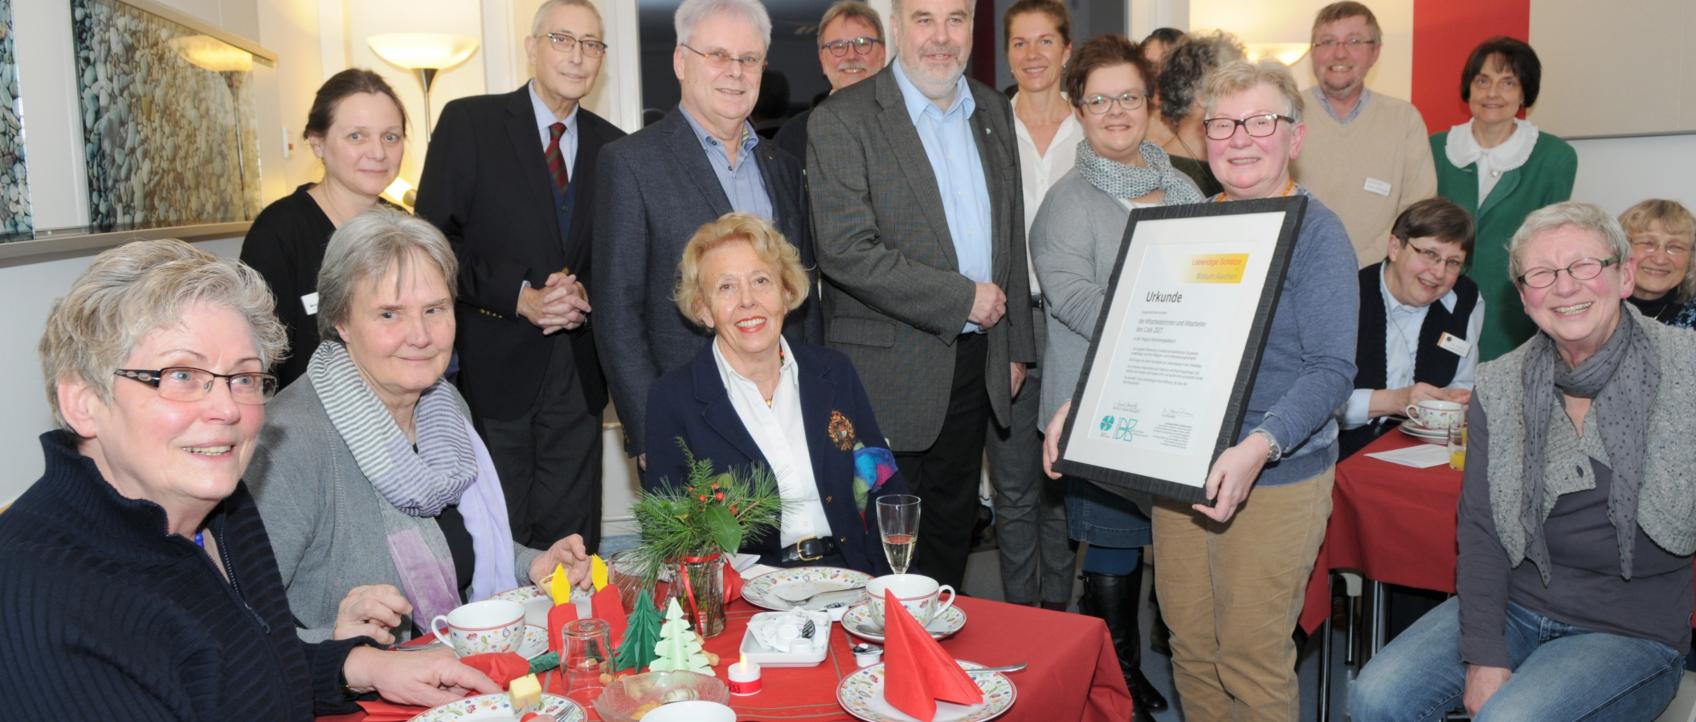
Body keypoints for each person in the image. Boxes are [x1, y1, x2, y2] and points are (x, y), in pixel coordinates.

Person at [0, 239, 504, 718]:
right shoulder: (46, 596)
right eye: (181, 376)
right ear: (83, 402)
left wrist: (360, 666)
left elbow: (244, 673)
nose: (226, 408)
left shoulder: (221, 513)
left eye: (243, 378)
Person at [1349, 202, 1694, 721]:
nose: (1565, 287)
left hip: (1628, 627)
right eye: (1542, 274)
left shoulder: (1684, 370)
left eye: (1584, 266)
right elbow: (1483, 528)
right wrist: (1484, 654)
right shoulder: (1503, 383)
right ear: (1524, 298)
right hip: (1515, 601)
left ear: (1623, 276)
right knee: (1375, 697)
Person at [249, 209, 593, 644]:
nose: (420, 335)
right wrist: (337, 647)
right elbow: (239, 626)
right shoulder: (290, 441)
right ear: (341, 321)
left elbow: (454, 545)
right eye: (389, 315)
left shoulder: (444, 408)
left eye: (435, 309)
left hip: (453, 670)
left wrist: (533, 564)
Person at [808, 0, 1036, 591]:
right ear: (897, 26)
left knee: (947, 541)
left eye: (956, 19)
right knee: (876, 556)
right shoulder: (844, 118)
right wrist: (961, 299)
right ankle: (877, 677)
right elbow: (845, 248)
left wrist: (1014, 346)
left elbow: (1008, 233)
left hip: (974, 364)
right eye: (924, 18)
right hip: (883, 379)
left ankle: (934, 663)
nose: (941, 36)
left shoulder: (991, 109)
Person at [1156, 59, 1357, 720]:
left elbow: (1331, 371)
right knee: (1190, 646)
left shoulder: (1318, 235)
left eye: (1260, 121)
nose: (1239, 138)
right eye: (1221, 124)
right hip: (1182, 472)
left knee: (1249, 655)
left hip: (1275, 477)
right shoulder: (1187, 227)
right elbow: (1155, 341)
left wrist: (1259, 445)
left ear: (1294, 138)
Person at [1031, 34, 1202, 717]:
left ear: (1148, 102)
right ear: (1078, 109)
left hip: (1180, 396)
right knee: (1112, 542)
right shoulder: (1066, 203)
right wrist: (1169, 315)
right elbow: (1073, 299)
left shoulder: (1186, 185)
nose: (1115, 112)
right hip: (1095, 404)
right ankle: (1119, 674)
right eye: (1098, 100)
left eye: (1128, 96)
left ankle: (1148, 663)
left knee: (1176, 540)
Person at [414, 0, 623, 552]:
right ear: (531, 47)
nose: (578, 57)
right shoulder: (470, 123)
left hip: (578, 375)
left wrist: (586, 293)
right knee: (496, 539)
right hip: (494, 370)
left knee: (573, 544)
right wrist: (519, 296)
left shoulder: (616, 147)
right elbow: (432, 243)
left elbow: (622, 256)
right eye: (563, 39)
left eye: (592, 44)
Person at [595, 0, 819, 471]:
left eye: (749, 58)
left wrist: (814, 399)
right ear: (681, 61)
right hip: (687, 423)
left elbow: (801, 298)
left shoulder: (783, 167)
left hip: (786, 414)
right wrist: (649, 429)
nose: (734, 72)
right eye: (717, 55)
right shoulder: (631, 163)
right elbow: (618, 313)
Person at [644, 213, 907, 574]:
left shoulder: (834, 372)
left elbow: (886, 492)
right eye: (726, 287)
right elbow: (669, 538)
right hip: (748, 596)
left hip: (849, 576)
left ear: (786, 292)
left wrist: (882, 585)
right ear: (703, 310)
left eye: (761, 281)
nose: (747, 301)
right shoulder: (672, 400)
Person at [992, 0, 1077, 614]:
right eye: (1020, 43)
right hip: (1009, 320)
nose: (1032, 55)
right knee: (1015, 487)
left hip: (1077, 325)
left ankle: (1060, 622)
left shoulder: (1096, 125)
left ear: (1067, 50)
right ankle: (1022, 619)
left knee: (1066, 485)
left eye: (1045, 41)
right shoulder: (986, 123)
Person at [242, 69, 406, 388]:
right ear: (317, 143)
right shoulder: (279, 232)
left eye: (391, 137)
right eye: (356, 136)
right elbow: (257, 355)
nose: (378, 152)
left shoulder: (406, 229)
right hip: (309, 424)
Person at [1433, 36, 1576, 362]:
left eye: (1507, 82)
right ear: (1468, 88)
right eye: (1482, 81)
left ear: (1525, 92)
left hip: (1512, 309)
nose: (1492, 93)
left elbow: (1552, 243)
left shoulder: (1555, 157)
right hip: (1438, 297)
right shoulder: (1436, 148)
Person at [1291, 2, 1437, 267]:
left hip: (1379, 275)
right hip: (1297, 271)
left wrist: (1360, 263)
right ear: (1313, 52)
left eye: (1354, 41)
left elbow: (1417, 207)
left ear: (1375, 52)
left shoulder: (1404, 119)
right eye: (1327, 41)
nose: (1339, 53)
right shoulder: (1285, 114)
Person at [1339, 197, 1483, 458]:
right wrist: (1393, 401)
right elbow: (1316, 408)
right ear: (1395, 247)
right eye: (1430, 254)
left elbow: (1463, 383)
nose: (1439, 272)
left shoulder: (1465, 301)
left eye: (1453, 263)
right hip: (1343, 457)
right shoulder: (1346, 297)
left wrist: (1457, 403)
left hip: (1424, 454)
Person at [773, 0, 886, 161]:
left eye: (862, 43)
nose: (851, 55)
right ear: (822, 60)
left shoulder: (907, 127)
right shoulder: (794, 137)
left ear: (882, 54)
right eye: (838, 46)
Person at [1153, 31, 1245, 197]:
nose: (1242, 98)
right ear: (1202, 98)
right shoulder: (1159, 174)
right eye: (1232, 87)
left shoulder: (1234, 163)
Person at [1620, 199, 1696, 328]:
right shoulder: (1593, 307)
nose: (1660, 259)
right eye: (1647, 243)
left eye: (1675, 247)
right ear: (1621, 248)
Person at [1139, 26, 1185, 149]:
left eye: (1168, 68)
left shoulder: (1205, 128)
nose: (1158, 75)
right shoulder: (1127, 127)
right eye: (1151, 67)